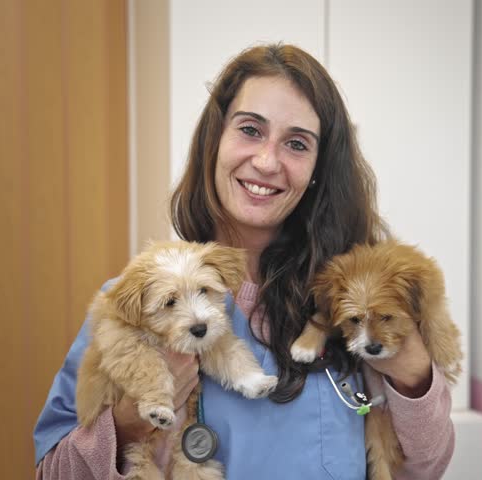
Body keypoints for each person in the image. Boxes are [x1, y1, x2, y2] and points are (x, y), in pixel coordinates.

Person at [33, 43, 455, 479]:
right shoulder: (134, 307)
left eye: (296, 143)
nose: (267, 161)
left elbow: (424, 469)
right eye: (250, 130)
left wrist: (413, 378)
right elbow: (55, 472)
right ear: (214, 140)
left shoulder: (351, 304)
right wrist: (129, 419)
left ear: (317, 170)